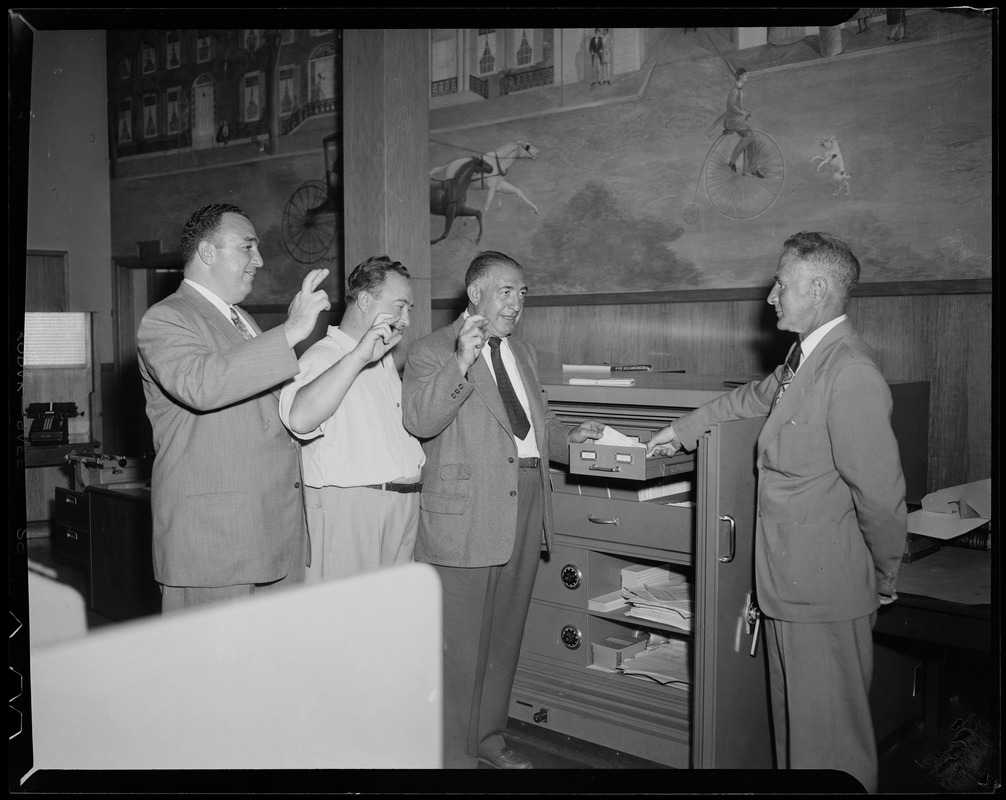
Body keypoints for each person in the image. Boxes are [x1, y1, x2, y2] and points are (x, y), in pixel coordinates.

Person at [646, 231, 907, 792]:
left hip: (827, 593)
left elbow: (882, 499)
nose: (770, 297)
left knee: (831, 750)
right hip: (786, 587)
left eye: (781, 284)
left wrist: (884, 574)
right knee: (795, 744)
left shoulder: (850, 371)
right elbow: (751, 399)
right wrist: (680, 430)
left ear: (817, 289)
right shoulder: (804, 359)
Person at [401, 251, 604, 769]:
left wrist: (567, 439)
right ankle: (450, 760)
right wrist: (461, 362)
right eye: (506, 291)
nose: (516, 303)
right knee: (459, 653)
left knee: (501, 641)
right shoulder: (430, 350)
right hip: (466, 513)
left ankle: (488, 744)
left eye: (522, 293)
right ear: (475, 294)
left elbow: (533, 426)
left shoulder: (523, 353)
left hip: (526, 502)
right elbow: (421, 420)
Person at [137, 203, 331, 612]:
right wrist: (291, 331)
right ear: (208, 252)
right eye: (247, 247)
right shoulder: (167, 318)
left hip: (273, 535)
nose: (259, 260)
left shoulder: (240, 320)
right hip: (216, 546)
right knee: (212, 674)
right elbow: (201, 385)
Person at [279, 256, 426, 581]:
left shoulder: (383, 359)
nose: (406, 320)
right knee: (343, 626)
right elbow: (299, 419)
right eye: (399, 306)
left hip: (399, 510)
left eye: (409, 309)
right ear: (363, 300)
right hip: (351, 513)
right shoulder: (322, 357)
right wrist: (358, 358)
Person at [724, 67, 764, 178]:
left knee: (751, 139)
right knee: (751, 135)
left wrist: (745, 111)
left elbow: (738, 105)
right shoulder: (734, 90)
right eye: (746, 75)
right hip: (732, 120)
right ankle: (732, 161)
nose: (747, 76)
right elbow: (731, 106)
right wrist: (742, 113)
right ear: (741, 76)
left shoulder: (739, 88)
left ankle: (753, 169)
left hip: (737, 120)